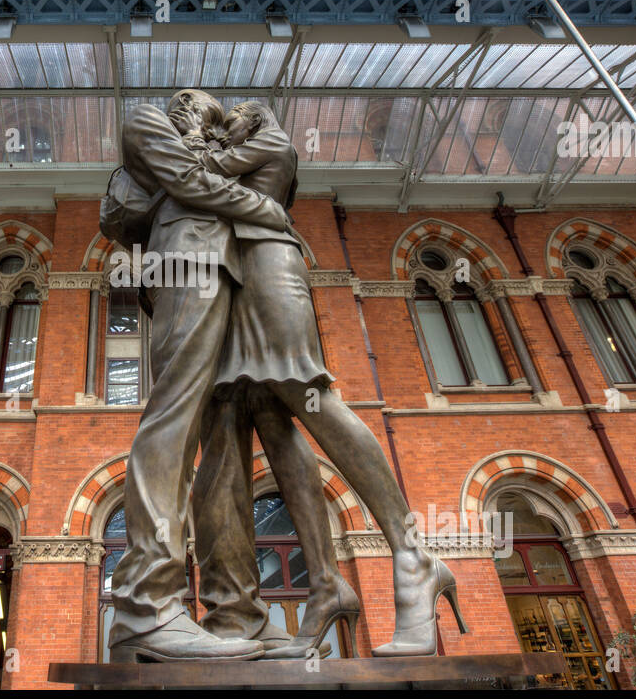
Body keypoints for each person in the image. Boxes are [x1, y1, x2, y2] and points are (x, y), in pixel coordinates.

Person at [190, 102, 467, 657]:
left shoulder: (274, 146)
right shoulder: (246, 153)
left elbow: (200, 176)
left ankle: (414, 555)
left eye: (235, 116)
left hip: (269, 266)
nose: (226, 126)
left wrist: (196, 139)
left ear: (257, 118)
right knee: (270, 418)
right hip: (237, 277)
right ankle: (324, 585)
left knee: (309, 396)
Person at [107, 90, 292, 662]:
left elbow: (224, 169)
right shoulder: (144, 121)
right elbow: (185, 183)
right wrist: (266, 212)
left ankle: (237, 612)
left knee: (228, 444)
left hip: (233, 275)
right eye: (192, 104)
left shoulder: (214, 146)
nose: (198, 113)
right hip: (185, 263)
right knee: (174, 420)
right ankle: (144, 604)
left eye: (212, 116)